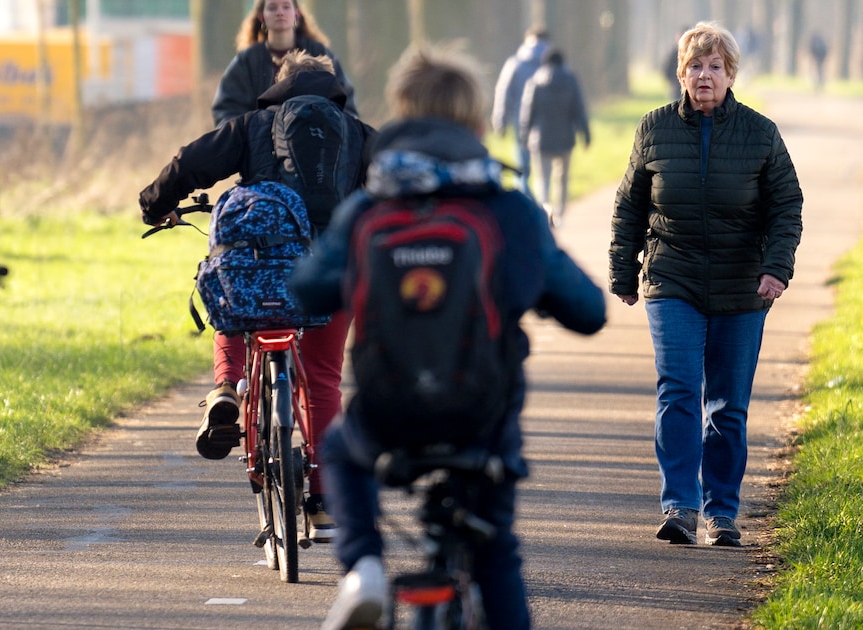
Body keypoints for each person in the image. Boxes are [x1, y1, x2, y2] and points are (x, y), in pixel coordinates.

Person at [291, 43, 606, 630]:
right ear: (477, 122)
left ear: (402, 115)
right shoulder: (508, 210)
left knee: (338, 449)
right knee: (495, 551)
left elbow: (306, 291)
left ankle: (364, 568)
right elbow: (588, 312)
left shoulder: (368, 208)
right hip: (480, 421)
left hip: (389, 414)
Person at [140, 51, 372, 541]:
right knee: (324, 380)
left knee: (230, 297)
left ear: (278, 87)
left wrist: (155, 204)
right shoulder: (357, 133)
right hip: (332, 273)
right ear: (333, 91)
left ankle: (226, 388)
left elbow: (191, 162)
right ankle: (325, 501)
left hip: (267, 266)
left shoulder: (253, 126)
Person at [610, 22, 803, 548]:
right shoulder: (653, 129)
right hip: (672, 276)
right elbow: (629, 206)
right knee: (677, 389)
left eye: (714, 67)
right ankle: (679, 506)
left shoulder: (760, 133)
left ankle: (721, 512)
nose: (704, 75)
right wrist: (623, 272)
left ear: (730, 74)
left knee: (727, 404)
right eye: (694, 66)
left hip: (743, 286)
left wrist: (775, 267)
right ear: (680, 73)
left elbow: (786, 205)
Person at [211, 0, 358, 127]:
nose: (280, 12)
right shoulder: (247, 61)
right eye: (272, 7)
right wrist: (248, 135)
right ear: (261, 16)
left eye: (286, 7)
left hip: (317, 142)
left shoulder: (318, 53)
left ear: (297, 14)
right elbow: (226, 109)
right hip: (261, 147)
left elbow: (346, 101)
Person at [519, 47, 590, 227]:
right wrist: (586, 134)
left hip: (540, 139)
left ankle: (545, 210)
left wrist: (524, 136)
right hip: (565, 139)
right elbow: (579, 110)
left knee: (542, 179)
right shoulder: (571, 81)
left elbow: (527, 112)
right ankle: (560, 214)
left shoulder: (534, 82)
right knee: (562, 178)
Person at [491, 26, 550, 193]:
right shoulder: (553, 63)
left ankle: (526, 201)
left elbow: (503, 92)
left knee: (522, 167)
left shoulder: (515, 63)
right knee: (545, 170)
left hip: (520, 121)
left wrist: (500, 121)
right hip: (548, 122)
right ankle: (545, 205)